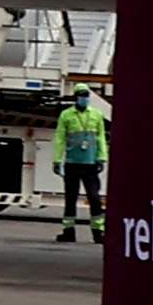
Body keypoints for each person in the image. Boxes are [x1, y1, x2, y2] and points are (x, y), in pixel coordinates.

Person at [50, 80, 109, 242]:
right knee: (70, 198)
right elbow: (60, 139)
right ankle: (68, 231)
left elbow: (101, 138)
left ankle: (98, 232)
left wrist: (101, 158)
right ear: (76, 97)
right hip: (72, 163)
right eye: (82, 96)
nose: (85, 98)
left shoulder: (96, 115)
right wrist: (57, 160)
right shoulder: (66, 115)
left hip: (90, 164)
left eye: (87, 96)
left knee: (94, 197)